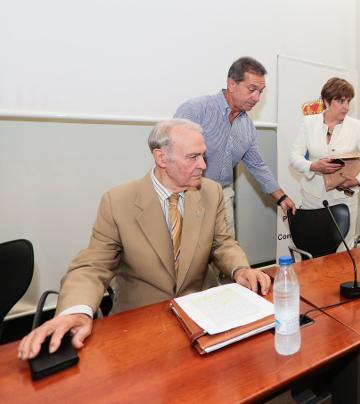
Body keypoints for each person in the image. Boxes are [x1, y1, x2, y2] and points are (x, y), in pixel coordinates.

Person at [18, 119, 271, 360]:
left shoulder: (211, 192)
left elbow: (222, 243)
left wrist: (240, 268)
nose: (203, 165)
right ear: (161, 157)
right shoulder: (117, 201)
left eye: (203, 155)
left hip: (204, 316)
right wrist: (75, 310)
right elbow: (93, 266)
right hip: (139, 322)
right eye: (193, 157)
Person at [174, 56, 296, 239]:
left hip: (223, 196)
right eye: (252, 89)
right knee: (190, 258)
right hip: (188, 194)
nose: (257, 98)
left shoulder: (247, 127)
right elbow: (171, 153)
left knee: (226, 255)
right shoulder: (196, 110)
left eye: (261, 92)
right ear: (232, 84)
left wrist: (281, 197)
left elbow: (257, 165)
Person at [289, 77, 360, 247]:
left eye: (348, 101)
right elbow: (294, 157)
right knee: (314, 248)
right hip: (313, 199)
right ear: (326, 101)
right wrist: (313, 166)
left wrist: (358, 180)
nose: (346, 107)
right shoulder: (309, 123)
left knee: (343, 250)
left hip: (344, 200)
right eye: (340, 101)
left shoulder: (356, 127)